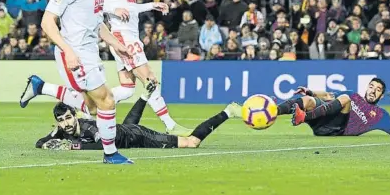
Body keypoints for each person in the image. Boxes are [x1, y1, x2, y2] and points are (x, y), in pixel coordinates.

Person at [33, 0, 132, 164]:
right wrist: (68, 51)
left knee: (94, 108)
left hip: (90, 52)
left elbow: (97, 23)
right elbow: (47, 22)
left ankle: (41, 87)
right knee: (107, 100)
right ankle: (111, 154)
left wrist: (116, 44)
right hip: (75, 54)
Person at [99, 0, 191, 137]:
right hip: (122, 37)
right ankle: (170, 125)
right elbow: (93, 4)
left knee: (127, 88)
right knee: (149, 80)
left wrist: (151, 5)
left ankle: (89, 104)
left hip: (129, 35)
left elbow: (130, 8)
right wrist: (112, 10)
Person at [37, 82, 242, 150]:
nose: (66, 123)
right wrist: (50, 139)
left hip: (138, 136)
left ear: (75, 114)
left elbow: (102, 145)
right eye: (61, 121)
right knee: (126, 127)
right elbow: (39, 143)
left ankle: (228, 111)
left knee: (191, 143)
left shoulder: (90, 127)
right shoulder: (63, 129)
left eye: (68, 118)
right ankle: (145, 96)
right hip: (124, 131)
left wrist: (75, 146)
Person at [277, 78, 390, 137]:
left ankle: (303, 117)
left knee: (345, 100)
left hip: (337, 131)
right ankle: (273, 111)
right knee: (308, 100)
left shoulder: (380, 115)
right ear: (367, 87)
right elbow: (328, 96)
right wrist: (311, 91)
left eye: (377, 90)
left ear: (381, 96)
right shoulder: (353, 94)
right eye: (371, 87)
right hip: (322, 123)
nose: (373, 90)